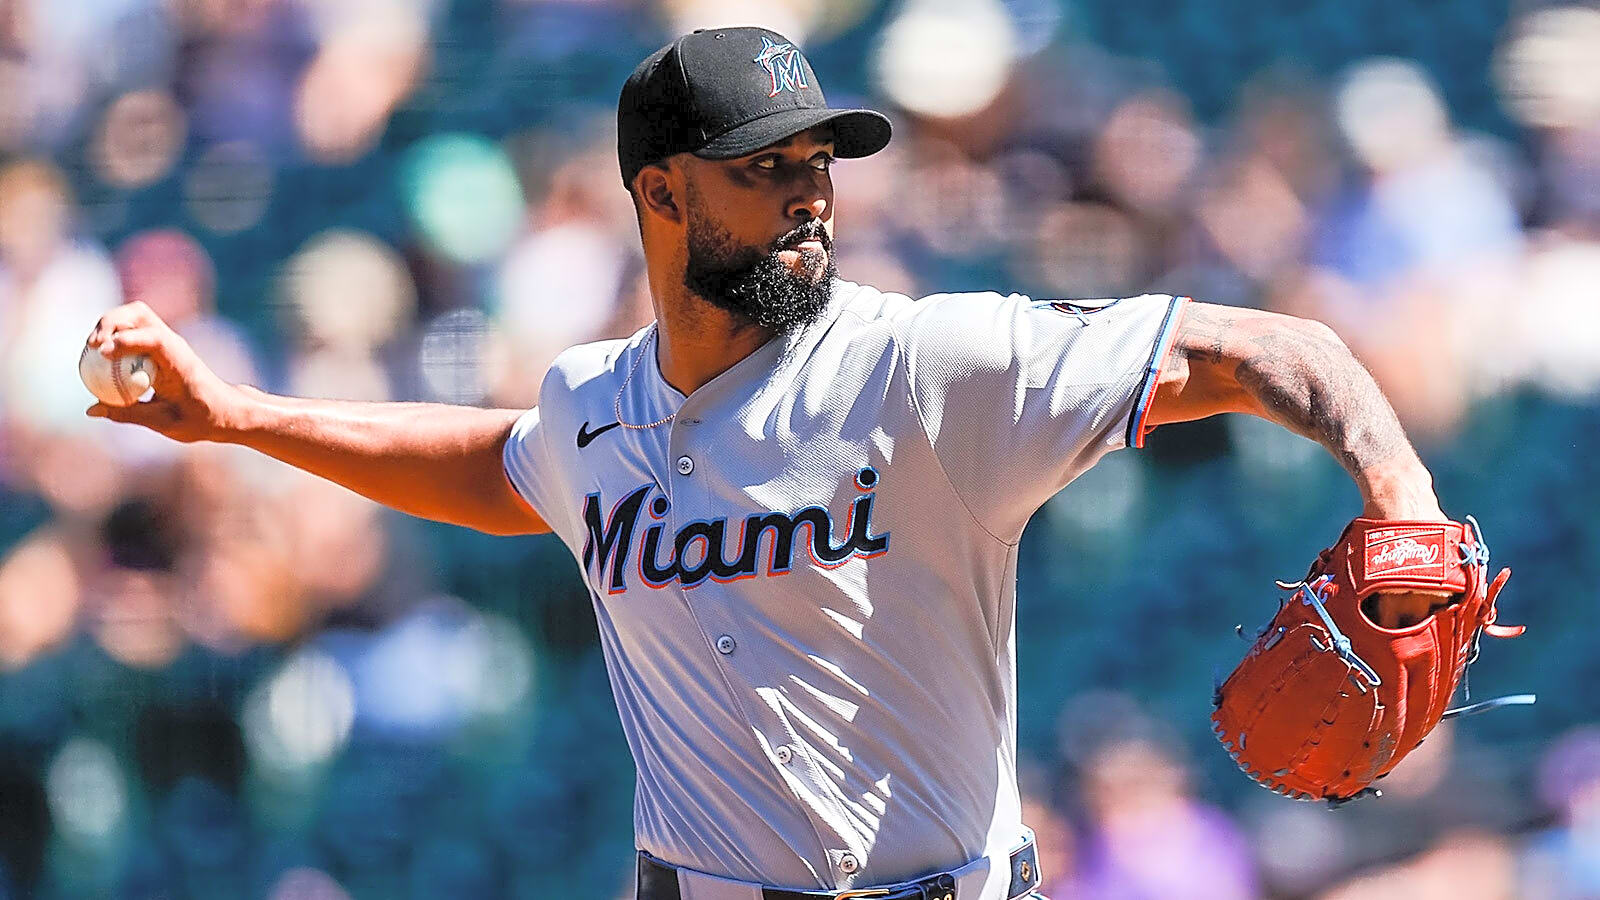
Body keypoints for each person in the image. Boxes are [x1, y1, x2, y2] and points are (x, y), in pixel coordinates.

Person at [83, 26, 1451, 900]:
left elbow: (1278, 347)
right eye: (764, 167)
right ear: (662, 192)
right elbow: (494, 468)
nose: (810, 192)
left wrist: (1402, 497)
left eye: (819, 162)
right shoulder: (592, 411)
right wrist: (239, 419)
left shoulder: (930, 368)